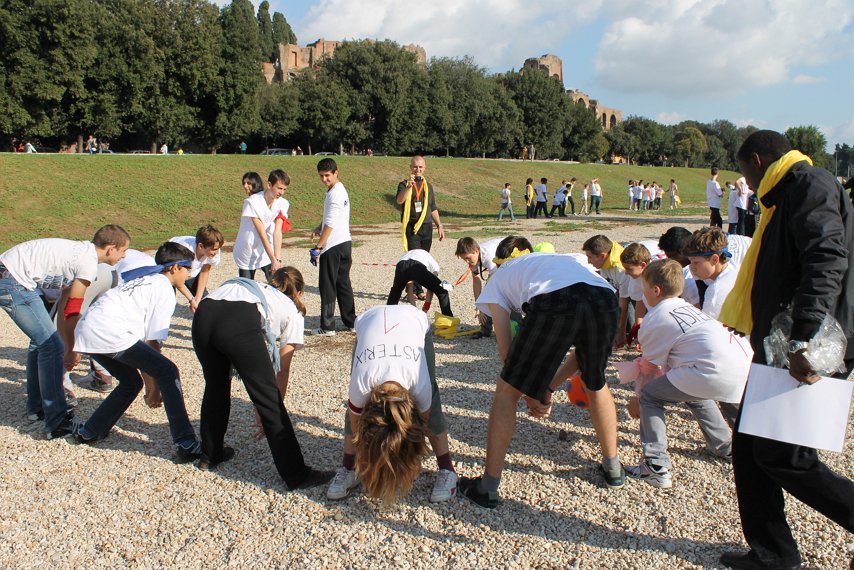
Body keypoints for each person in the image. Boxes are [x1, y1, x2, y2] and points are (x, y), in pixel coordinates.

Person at [718, 130, 854, 570]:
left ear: (757, 161)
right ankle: (773, 553)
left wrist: (805, 334)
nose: (749, 186)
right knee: (750, 450)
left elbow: (827, 256)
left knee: (786, 457)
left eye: (746, 174)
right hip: (777, 344)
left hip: (803, 346)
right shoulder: (787, 194)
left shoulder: (810, 185)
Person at [457, 236, 625, 509]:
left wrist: (530, 393)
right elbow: (580, 356)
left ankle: (487, 487)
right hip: (604, 298)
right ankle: (613, 468)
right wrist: (545, 388)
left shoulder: (498, 279)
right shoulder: (562, 259)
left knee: (505, 391)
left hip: (555, 300)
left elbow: (507, 357)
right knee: (596, 381)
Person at [192, 267, 333, 488]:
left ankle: (210, 454)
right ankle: (297, 475)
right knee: (269, 401)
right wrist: (265, 406)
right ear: (300, 292)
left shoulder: (258, 287)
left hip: (205, 313)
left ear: (272, 281)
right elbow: (282, 369)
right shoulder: (291, 309)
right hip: (239, 318)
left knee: (216, 385)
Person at [72, 242, 202, 462]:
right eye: (187, 268)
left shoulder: (148, 279)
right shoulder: (163, 289)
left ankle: (91, 430)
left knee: (130, 381)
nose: (190, 273)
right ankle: (185, 442)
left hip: (89, 329)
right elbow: (152, 344)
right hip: (109, 332)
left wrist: (150, 385)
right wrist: (153, 390)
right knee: (168, 371)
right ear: (174, 268)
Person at [625, 259, 750, 488]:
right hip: (742, 365)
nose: (642, 294)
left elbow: (649, 369)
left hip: (710, 371)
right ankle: (726, 448)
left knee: (652, 396)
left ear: (655, 290)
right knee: (693, 393)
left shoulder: (655, 319)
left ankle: (655, 465)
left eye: (644, 289)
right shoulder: (688, 307)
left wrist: (638, 397)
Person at [0, 226, 129, 438]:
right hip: (13, 281)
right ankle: (57, 422)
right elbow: (72, 310)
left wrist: (69, 345)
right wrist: (70, 349)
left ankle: (38, 407)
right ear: (111, 248)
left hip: (13, 277)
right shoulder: (88, 263)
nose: (124, 255)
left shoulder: (83, 255)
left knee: (41, 342)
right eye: (123, 250)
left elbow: (65, 306)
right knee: (51, 346)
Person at [326, 304, 458, 503]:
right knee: (354, 406)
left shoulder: (419, 385)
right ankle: (348, 467)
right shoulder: (361, 385)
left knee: (433, 397)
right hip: (370, 321)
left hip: (414, 322)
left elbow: (419, 431)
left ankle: (447, 469)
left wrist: (408, 458)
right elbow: (356, 428)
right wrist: (367, 459)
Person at [311, 158, 356, 336]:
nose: (324, 179)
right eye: (321, 176)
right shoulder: (338, 190)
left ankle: (328, 326)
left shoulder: (335, 193)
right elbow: (332, 218)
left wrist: (318, 247)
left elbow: (330, 223)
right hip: (345, 242)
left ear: (336, 172)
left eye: (327, 175)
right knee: (343, 283)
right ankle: (351, 322)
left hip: (333, 246)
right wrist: (319, 227)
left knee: (327, 285)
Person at [233, 170, 288, 282]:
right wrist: (273, 258)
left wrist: (277, 259)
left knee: (277, 284)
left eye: (284, 189)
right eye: (279, 188)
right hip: (247, 248)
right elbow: (261, 232)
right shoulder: (252, 202)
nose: (281, 192)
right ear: (269, 185)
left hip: (265, 250)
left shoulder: (283, 203)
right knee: (247, 286)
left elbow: (277, 232)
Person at [685, 227, 741, 320]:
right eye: (690, 262)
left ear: (714, 259)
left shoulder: (715, 293)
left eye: (696, 262)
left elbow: (706, 329)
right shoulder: (735, 267)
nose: (691, 268)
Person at [455, 237, 503, 338]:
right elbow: (476, 281)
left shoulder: (489, 257)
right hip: (498, 267)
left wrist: (483, 307)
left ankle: (513, 329)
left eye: (468, 258)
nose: (467, 262)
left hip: (510, 256)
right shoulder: (474, 260)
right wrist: (478, 304)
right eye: (464, 259)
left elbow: (494, 285)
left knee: (504, 295)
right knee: (486, 299)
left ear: (476, 251)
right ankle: (485, 330)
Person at [396, 155, 445, 253]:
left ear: (424, 168)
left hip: (427, 226)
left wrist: (439, 225)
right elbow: (399, 201)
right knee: (415, 256)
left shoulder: (428, 186)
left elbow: (433, 208)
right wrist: (409, 187)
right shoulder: (404, 184)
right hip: (412, 227)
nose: (418, 169)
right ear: (411, 167)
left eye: (420, 167)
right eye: (415, 167)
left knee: (424, 257)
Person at [169, 225, 225, 312]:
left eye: (218, 249)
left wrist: (197, 299)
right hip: (170, 271)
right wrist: (191, 300)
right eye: (214, 249)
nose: (216, 252)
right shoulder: (185, 252)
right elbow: (176, 280)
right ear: (200, 246)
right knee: (169, 302)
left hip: (188, 270)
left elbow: (204, 271)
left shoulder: (214, 250)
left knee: (204, 302)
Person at [386, 249, 453, 317]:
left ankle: (387, 317)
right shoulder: (435, 267)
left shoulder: (418, 254)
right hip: (416, 265)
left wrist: (415, 310)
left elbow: (409, 287)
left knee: (395, 292)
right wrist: (426, 306)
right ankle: (448, 320)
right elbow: (431, 288)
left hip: (401, 264)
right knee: (442, 291)